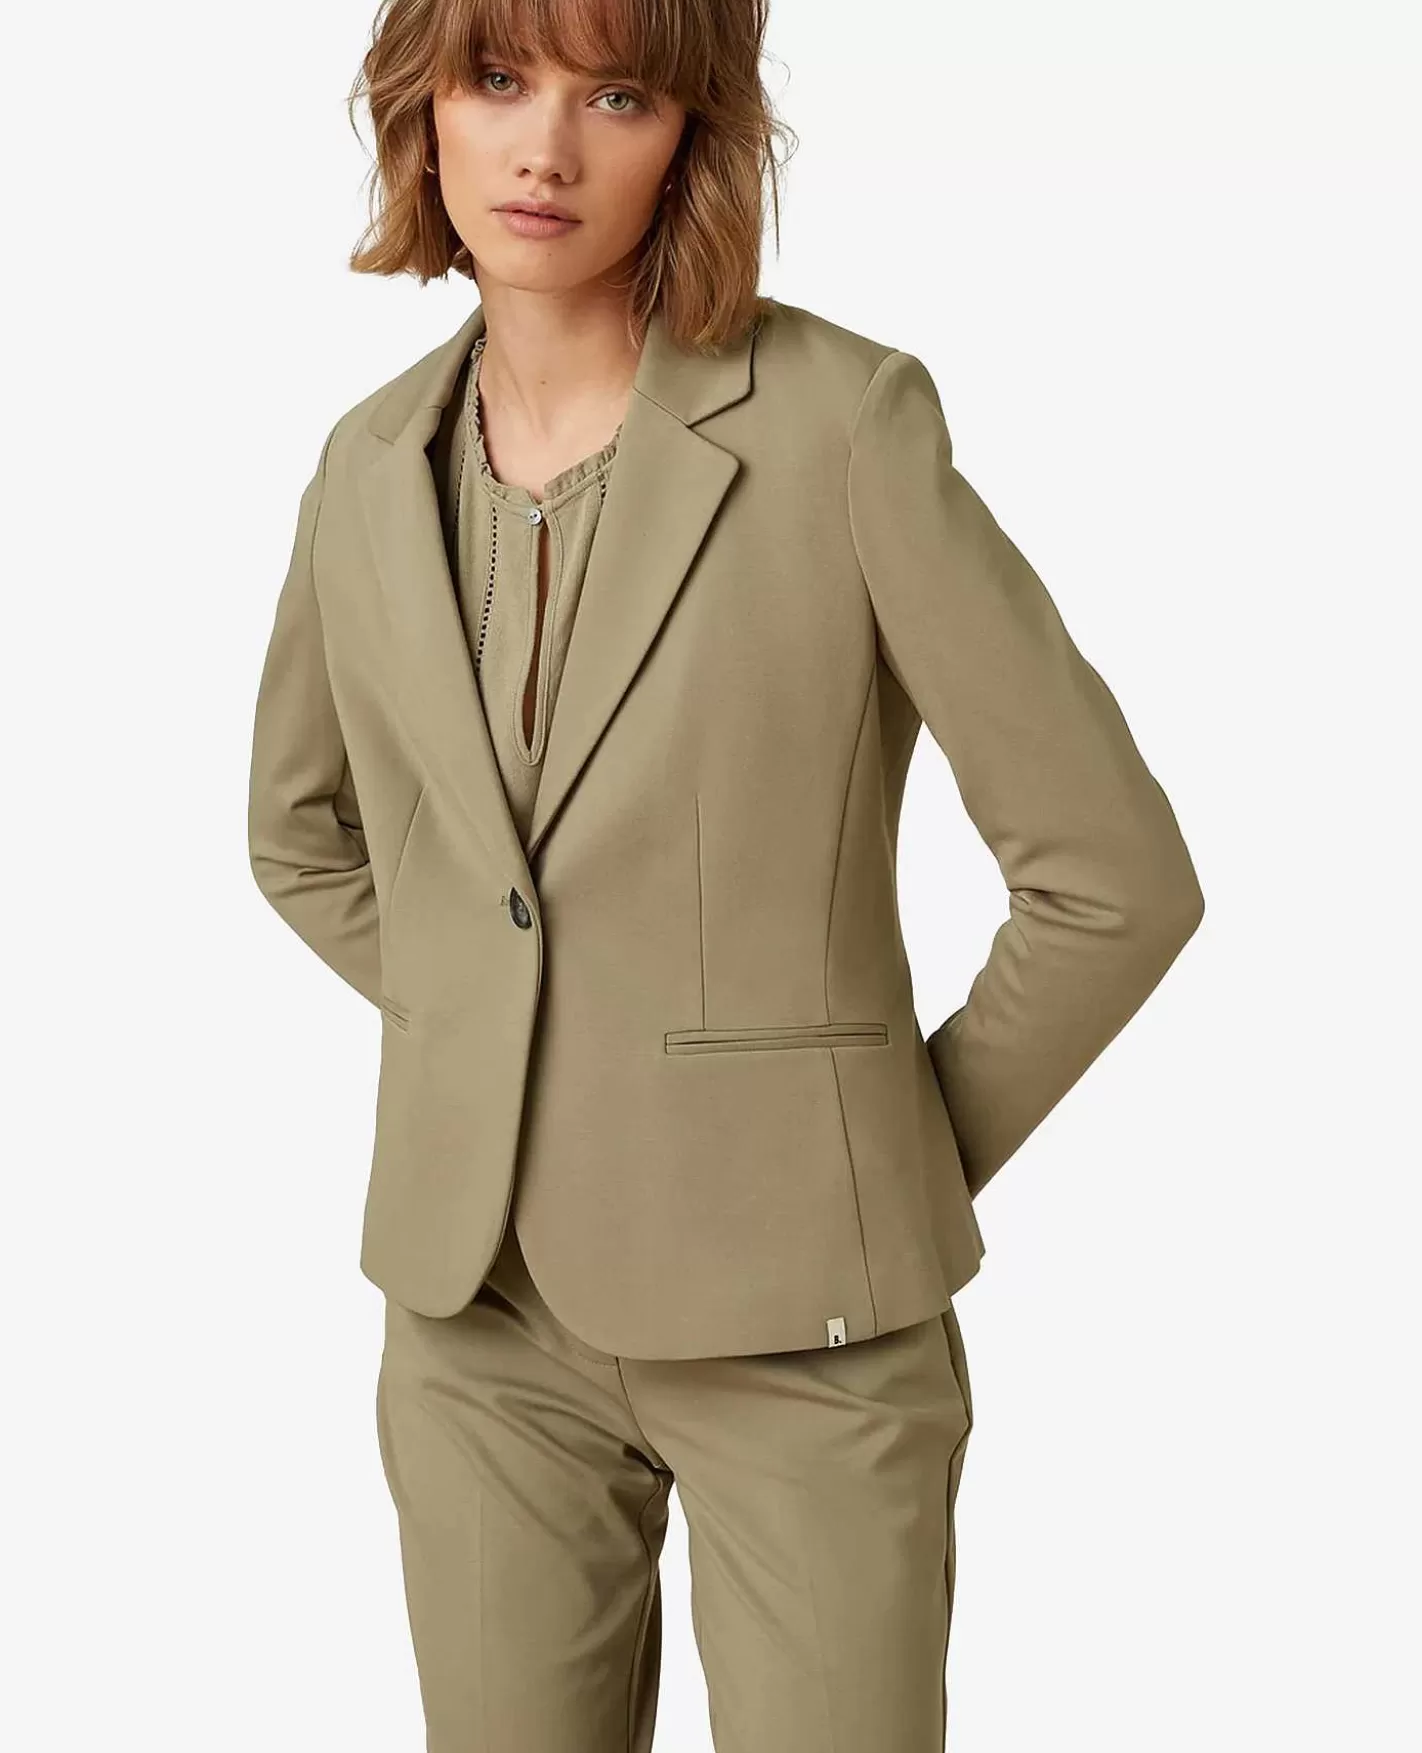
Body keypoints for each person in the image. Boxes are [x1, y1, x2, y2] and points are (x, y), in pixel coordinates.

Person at [246, 1, 1205, 1747]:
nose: (546, 150)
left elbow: (1113, 879)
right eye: (497, 79)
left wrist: (866, 1155)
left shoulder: (843, 426)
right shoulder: (368, 466)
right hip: (479, 1328)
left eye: (617, 93)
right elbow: (301, 835)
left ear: (696, 132)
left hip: (805, 1336)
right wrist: (510, 1053)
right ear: (422, 105)